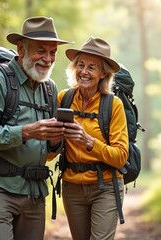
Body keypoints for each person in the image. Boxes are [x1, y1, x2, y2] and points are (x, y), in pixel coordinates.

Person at [0, 16, 73, 240]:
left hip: (35, 194)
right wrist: (27, 131)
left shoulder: (49, 88)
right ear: (21, 48)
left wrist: (57, 140)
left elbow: (48, 153)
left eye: (53, 52)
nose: (48, 59)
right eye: (40, 50)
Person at [58, 36, 129, 240]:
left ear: (103, 73)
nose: (84, 72)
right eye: (81, 65)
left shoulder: (113, 105)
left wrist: (88, 142)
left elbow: (121, 156)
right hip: (72, 187)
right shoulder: (64, 98)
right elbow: (50, 150)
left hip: (105, 187)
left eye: (91, 67)